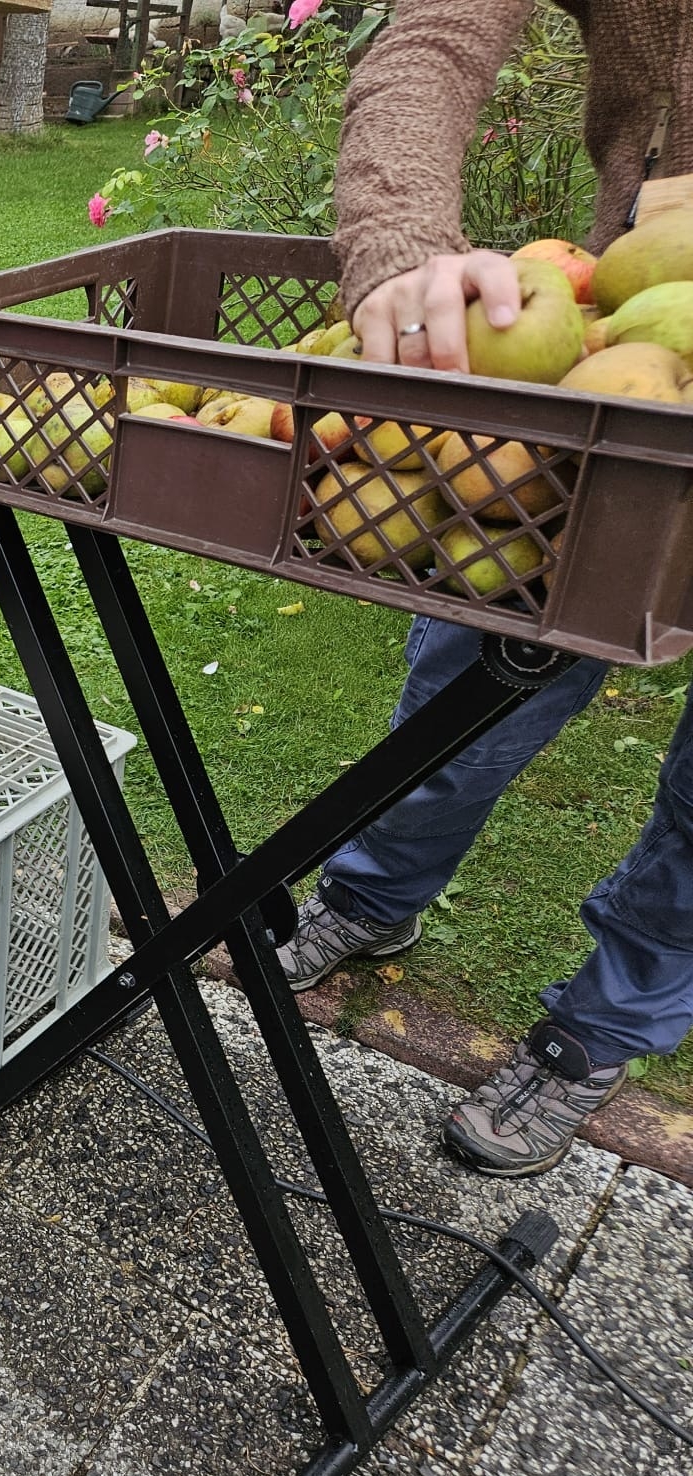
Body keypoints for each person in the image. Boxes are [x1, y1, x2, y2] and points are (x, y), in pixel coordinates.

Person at [280, 0, 693, 1176]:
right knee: (470, 675)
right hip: (625, 347)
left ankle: (600, 1030)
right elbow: (432, 42)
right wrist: (403, 251)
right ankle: (374, 895)